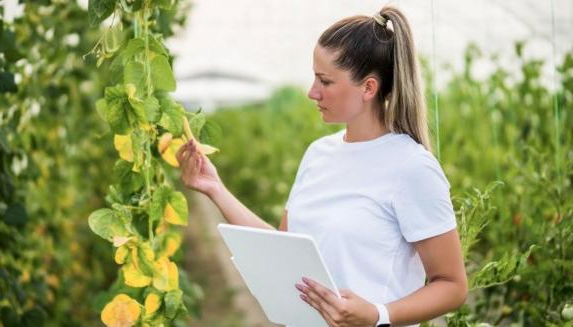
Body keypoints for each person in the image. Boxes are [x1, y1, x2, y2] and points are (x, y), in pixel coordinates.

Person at [176, 5, 468, 327]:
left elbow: (452, 286)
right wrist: (215, 189)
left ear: (368, 88)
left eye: (325, 81)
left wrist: (377, 314)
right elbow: (283, 248)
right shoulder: (318, 154)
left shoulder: (412, 168)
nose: (312, 92)